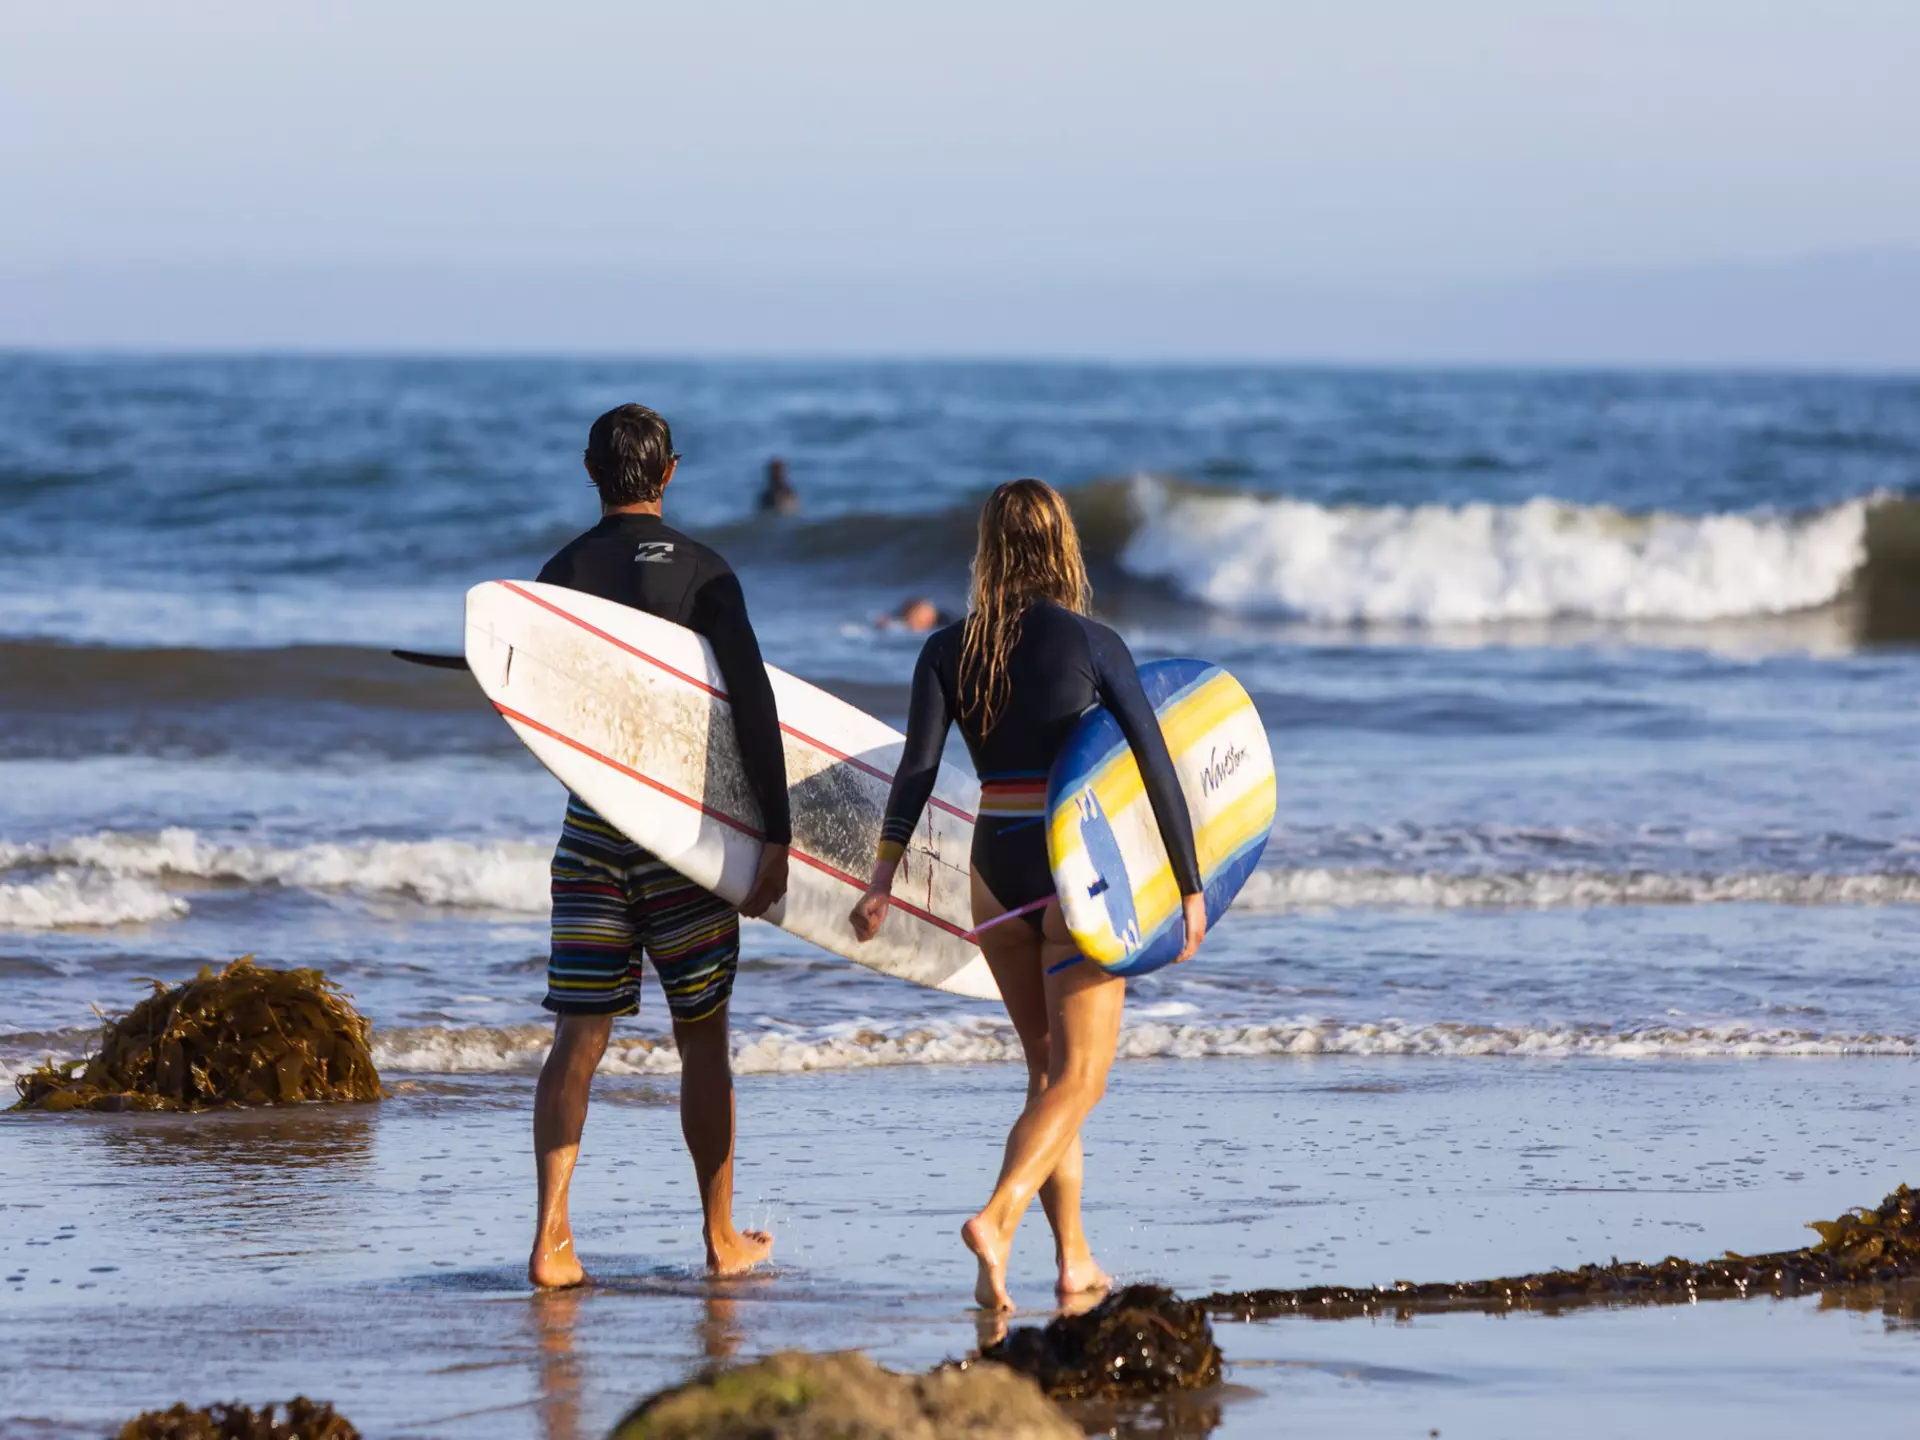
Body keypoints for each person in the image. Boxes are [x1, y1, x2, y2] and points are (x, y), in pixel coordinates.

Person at [847, 478, 1206, 1311]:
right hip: (1071, 864)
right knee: (1084, 1078)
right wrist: (1190, 885)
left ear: (989, 549)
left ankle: (1073, 1258)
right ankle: (997, 1215)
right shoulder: (1092, 642)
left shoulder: (948, 649)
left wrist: (880, 881)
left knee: (1047, 1072)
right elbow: (1155, 767)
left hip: (991, 871)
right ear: (1063, 543)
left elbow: (920, 771)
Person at [529, 404, 791, 1289]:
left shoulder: (559, 574)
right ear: (670, 471)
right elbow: (752, 706)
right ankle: (719, 1238)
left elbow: (536, 707)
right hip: (682, 836)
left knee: (578, 1037)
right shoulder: (708, 574)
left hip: (595, 830)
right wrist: (778, 834)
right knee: (703, 1039)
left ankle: (552, 1241)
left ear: (590, 470)